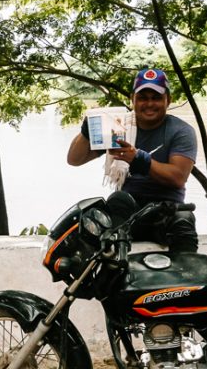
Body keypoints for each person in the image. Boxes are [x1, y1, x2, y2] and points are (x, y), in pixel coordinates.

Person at [67, 68, 199, 252]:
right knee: (111, 205)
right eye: (143, 97)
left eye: (156, 97)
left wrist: (139, 159)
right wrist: (86, 130)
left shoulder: (181, 131)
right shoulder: (118, 127)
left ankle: (187, 276)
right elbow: (74, 159)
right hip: (128, 210)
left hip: (166, 212)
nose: (149, 104)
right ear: (133, 99)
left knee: (184, 218)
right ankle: (113, 272)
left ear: (168, 100)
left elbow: (178, 176)